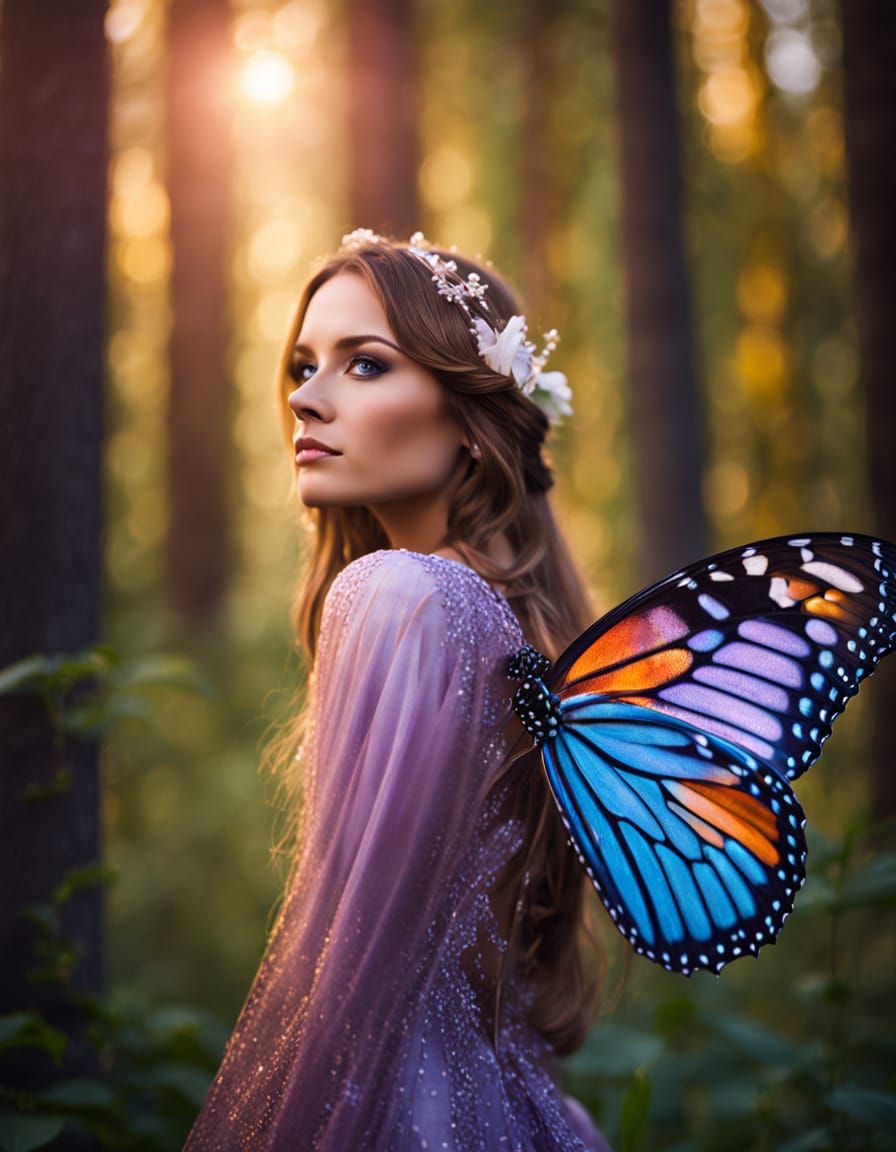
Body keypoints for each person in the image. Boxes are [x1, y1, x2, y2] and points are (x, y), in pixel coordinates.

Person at [183, 229, 612, 1151]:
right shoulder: (517, 630)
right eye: (304, 366)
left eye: (366, 364)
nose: (305, 397)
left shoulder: (400, 593)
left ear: (470, 420)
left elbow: (348, 964)